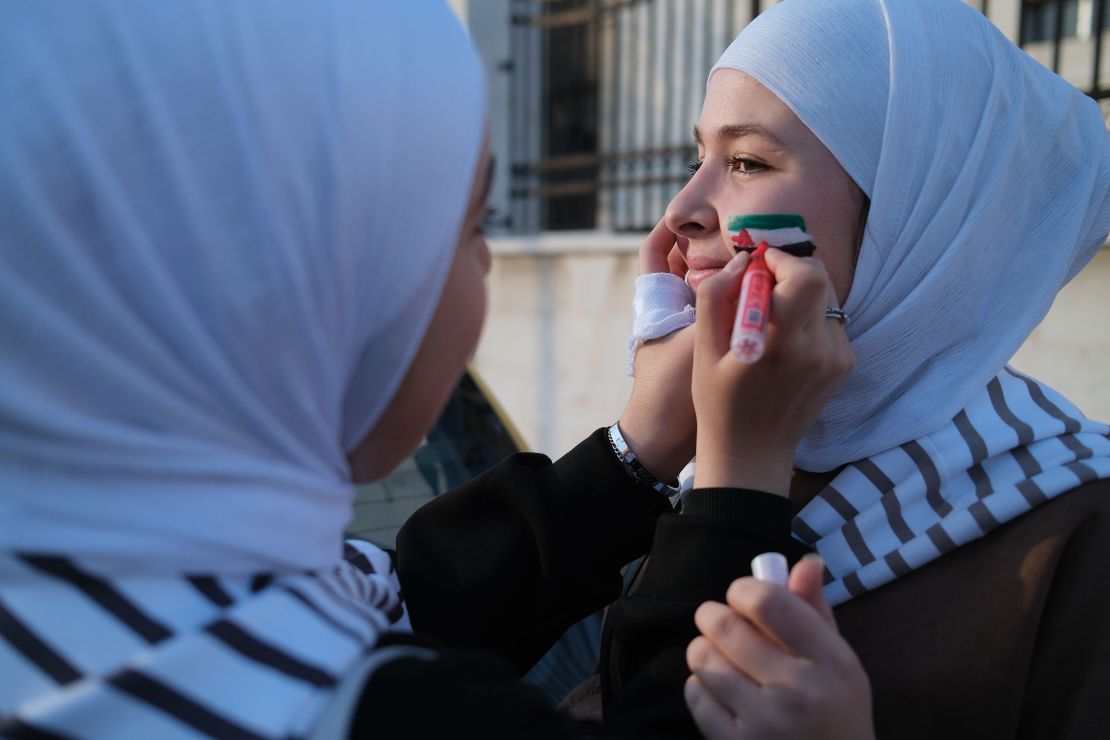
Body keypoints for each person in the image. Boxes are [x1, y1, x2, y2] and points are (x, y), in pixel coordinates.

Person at [0, 1, 839, 738]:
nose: (683, 211)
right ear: (302, 290)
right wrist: (738, 480)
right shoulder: (326, 704)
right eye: (471, 226)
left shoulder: (109, 568)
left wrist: (637, 448)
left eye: (747, 162)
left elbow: (403, 595)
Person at [582, 0, 1110, 738]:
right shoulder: (721, 451)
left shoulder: (1078, 526)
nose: (681, 211)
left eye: (746, 162)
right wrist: (647, 442)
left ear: (913, 213)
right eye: (694, 158)